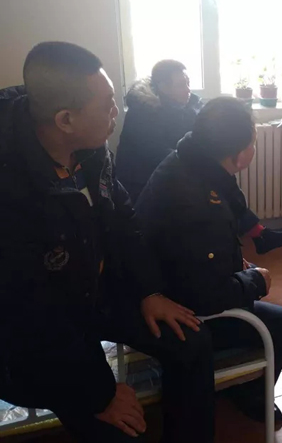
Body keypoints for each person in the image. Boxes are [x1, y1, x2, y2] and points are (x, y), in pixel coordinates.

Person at [0, 42, 216, 443]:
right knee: (115, 425)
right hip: (29, 339)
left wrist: (149, 291)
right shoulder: (11, 189)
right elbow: (31, 310)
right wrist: (99, 391)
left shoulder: (92, 149)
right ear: (66, 120)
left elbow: (123, 221)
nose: (117, 113)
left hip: (94, 292)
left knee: (190, 340)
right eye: (108, 106)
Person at [136, 97, 282, 425]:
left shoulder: (185, 160)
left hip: (160, 285)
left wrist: (232, 260)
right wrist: (256, 280)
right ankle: (250, 394)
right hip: (183, 314)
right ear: (239, 156)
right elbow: (208, 295)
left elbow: (199, 251)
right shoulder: (197, 203)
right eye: (253, 143)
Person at [117, 59, 282, 254]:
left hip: (180, 165)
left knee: (220, 172)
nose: (188, 89)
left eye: (188, 83)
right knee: (215, 177)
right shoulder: (143, 113)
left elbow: (202, 139)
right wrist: (204, 162)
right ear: (162, 87)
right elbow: (157, 153)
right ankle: (253, 236)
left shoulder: (188, 105)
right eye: (181, 85)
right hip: (144, 181)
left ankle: (255, 235)